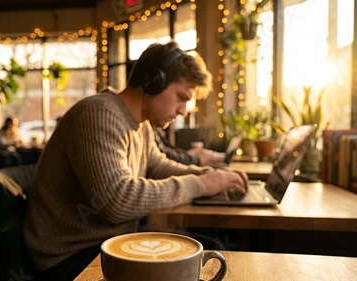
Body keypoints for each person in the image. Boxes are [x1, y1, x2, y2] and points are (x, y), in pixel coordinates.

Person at [24, 41, 248, 280]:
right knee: (210, 254)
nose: (183, 110)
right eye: (181, 97)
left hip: (109, 243)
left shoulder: (141, 124)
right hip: (69, 257)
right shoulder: (98, 114)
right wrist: (203, 184)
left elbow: (158, 166)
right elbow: (117, 199)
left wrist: (209, 175)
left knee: (214, 247)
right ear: (154, 82)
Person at [154, 126, 225, 166]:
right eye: (181, 99)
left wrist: (188, 154)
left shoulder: (155, 129)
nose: (183, 112)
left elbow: (167, 150)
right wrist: (197, 159)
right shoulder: (150, 129)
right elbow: (165, 157)